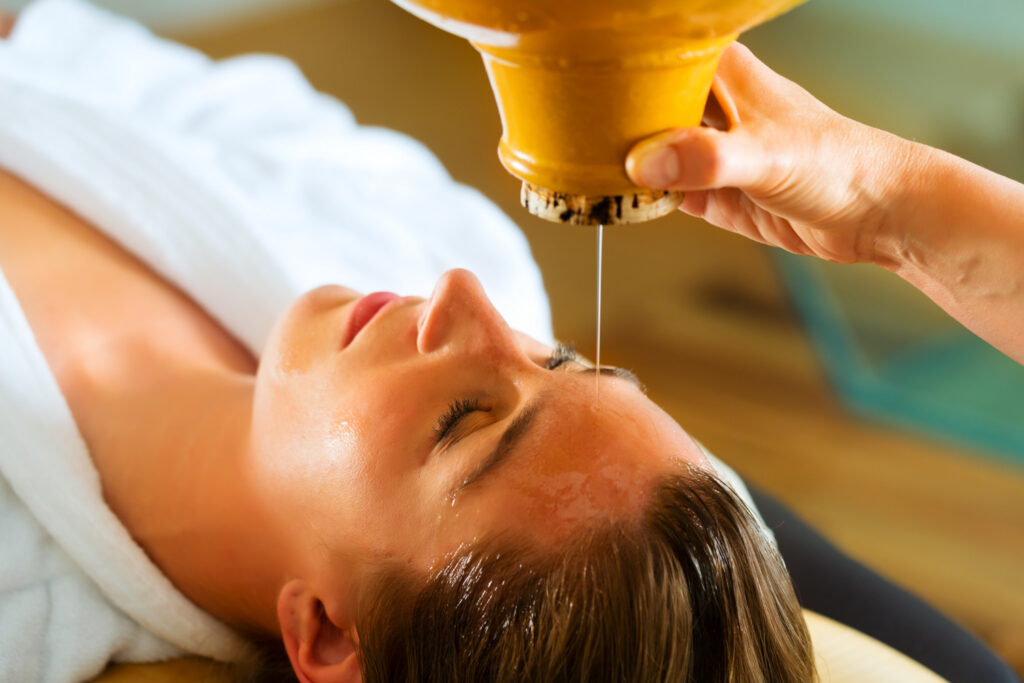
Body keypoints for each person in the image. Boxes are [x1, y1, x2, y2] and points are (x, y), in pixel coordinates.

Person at [0, 3, 1018, 683]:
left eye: (460, 421)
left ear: (328, 629)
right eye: (562, 361)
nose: (467, 298)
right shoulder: (409, 236)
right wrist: (890, 203)